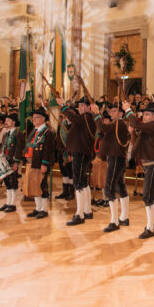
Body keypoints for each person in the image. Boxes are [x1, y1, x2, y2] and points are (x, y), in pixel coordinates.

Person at [124, 100, 154, 238]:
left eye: (147, 114)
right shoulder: (147, 127)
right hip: (149, 164)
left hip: (153, 163)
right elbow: (136, 143)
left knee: (147, 195)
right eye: (144, 114)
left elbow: (137, 123)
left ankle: (150, 227)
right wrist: (132, 132)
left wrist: (128, 111)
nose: (145, 116)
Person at [56, 96, 97, 226]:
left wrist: (63, 106)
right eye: (79, 106)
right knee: (83, 182)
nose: (80, 108)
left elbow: (73, 118)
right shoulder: (84, 119)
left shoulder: (86, 117)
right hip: (81, 152)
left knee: (78, 182)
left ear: (89, 107)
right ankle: (87, 210)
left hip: (82, 152)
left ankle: (79, 214)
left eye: (83, 106)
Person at [91, 102, 129, 232]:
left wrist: (96, 113)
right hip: (115, 157)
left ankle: (114, 221)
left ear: (120, 113)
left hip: (116, 158)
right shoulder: (117, 125)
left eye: (114, 111)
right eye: (111, 111)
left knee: (109, 189)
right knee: (120, 186)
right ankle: (124, 216)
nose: (112, 113)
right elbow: (106, 132)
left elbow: (103, 128)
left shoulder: (119, 123)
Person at [24, 108, 56, 219]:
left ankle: (44, 209)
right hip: (32, 161)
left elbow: (48, 150)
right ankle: (38, 208)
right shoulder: (34, 131)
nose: (34, 119)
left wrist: (45, 163)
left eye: (37, 117)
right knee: (34, 184)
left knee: (42, 185)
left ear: (43, 119)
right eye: (33, 117)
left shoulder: (48, 132)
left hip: (41, 162)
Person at [0, 113, 25, 213]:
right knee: (7, 182)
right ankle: (8, 202)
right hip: (4, 161)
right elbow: (2, 147)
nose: (6, 122)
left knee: (13, 182)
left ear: (13, 122)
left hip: (12, 161)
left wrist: (16, 162)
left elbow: (18, 149)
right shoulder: (6, 134)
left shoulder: (18, 134)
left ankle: (12, 204)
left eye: (8, 120)